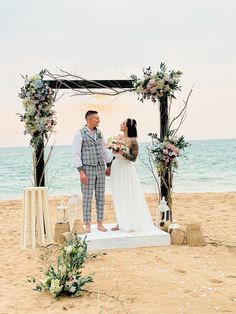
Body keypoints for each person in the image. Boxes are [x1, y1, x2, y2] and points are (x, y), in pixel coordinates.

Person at [110, 118, 157, 232]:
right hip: (116, 168)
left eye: (123, 123)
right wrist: (110, 162)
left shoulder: (133, 141)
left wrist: (122, 152)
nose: (120, 124)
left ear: (127, 127)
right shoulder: (118, 138)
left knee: (127, 194)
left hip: (126, 169)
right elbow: (113, 155)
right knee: (118, 194)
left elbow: (133, 158)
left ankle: (129, 222)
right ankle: (120, 222)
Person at [73, 110, 112, 233]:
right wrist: (81, 171)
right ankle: (88, 224)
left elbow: (104, 150)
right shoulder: (79, 134)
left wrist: (109, 165)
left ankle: (100, 223)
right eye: (97, 118)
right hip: (87, 169)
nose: (99, 120)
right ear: (89, 119)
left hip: (100, 168)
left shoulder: (100, 133)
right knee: (87, 198)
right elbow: (76, 154)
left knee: (101, 197)